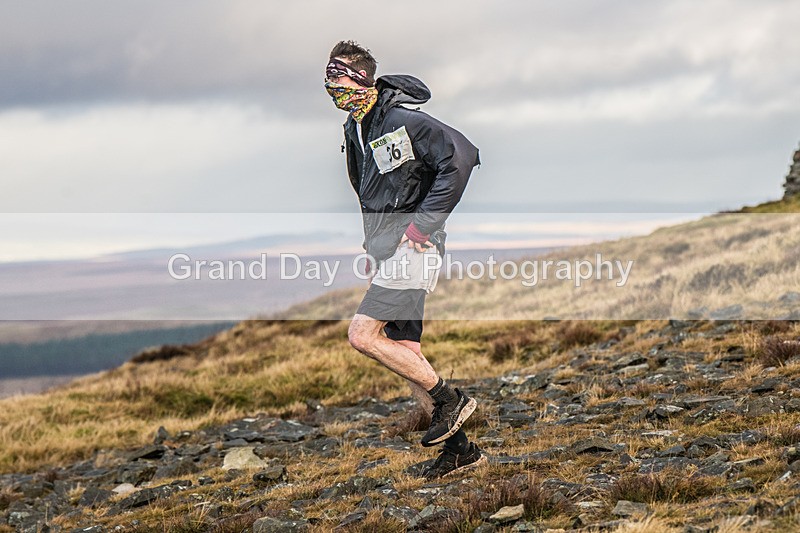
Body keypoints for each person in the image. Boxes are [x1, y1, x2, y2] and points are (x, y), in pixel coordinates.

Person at [323, 40, 485, 479]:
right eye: (327, 82)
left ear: (361, 80)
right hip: (389, 251)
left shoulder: (399, 119)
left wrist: (422, 227)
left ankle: (450, 401)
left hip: (414, 247)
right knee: (406, 351)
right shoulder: (356, 128)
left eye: (337, 80)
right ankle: (460, 451)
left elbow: (463, 155)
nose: (331, 90)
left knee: (362, 334)